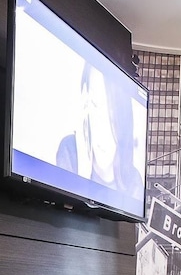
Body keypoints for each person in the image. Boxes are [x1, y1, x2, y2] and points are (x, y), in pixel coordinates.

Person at [56, 62, 144, 200]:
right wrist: (83, 172)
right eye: (94, 104)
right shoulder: (70, 150)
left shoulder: (133, 180)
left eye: (110, 112)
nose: (100, 128)